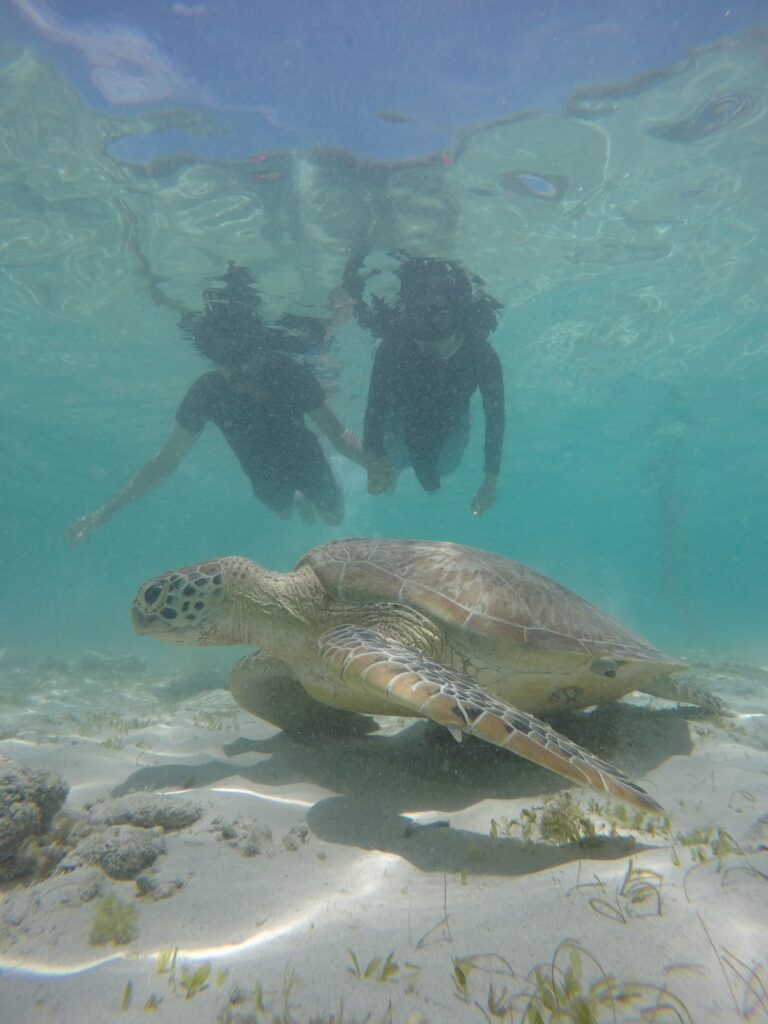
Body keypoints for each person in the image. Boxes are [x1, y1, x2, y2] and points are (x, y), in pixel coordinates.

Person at [67, 263, 364, 544]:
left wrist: (373, 463)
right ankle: (298, 500)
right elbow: (164, 463)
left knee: (334, 518)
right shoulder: (207, 392)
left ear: (257, 346)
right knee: (286, 511)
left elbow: (339, 434)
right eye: (227, 361)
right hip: (263, 474)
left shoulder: (285, 370)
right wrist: (104, 513)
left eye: (244, 358)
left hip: (305, 456)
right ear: (212, 355)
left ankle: (303, 497)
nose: (240, 371)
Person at [344, 251, 505, 516]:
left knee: (441, 471)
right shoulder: (392, 347)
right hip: (398, 422)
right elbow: (375, 408)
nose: (431, 340)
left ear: (457, 310)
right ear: (408, 309)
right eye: (420, 314)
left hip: (452, 430)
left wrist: (490, 482)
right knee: (399, 461)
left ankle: (400, 468)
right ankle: (394, 467)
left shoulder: (480, 353)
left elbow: (495, 417)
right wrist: (376, 458)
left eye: (439, 313)